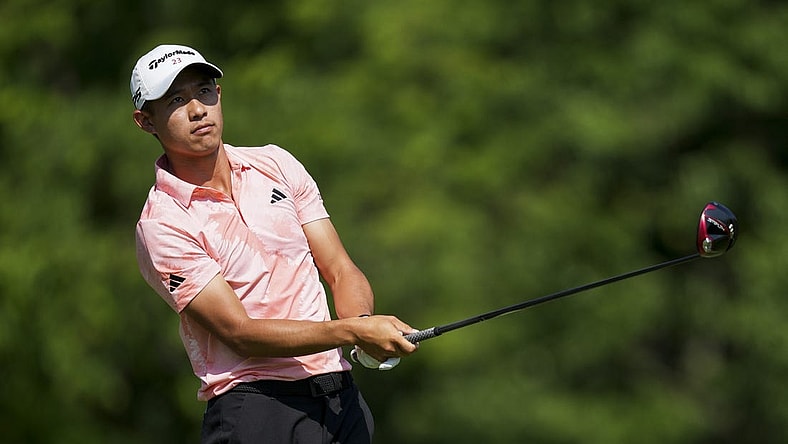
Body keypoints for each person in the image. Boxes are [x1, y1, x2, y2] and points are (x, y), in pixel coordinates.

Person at [130, 44, 418, 443]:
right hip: (256, 408)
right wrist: (351, 332)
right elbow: (240, 332)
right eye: (177, 100)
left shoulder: (276, 164)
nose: (198, 110)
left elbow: (338, 268)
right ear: (146, 122)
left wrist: (364, 325)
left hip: (339, 399)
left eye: (205, 91)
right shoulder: (162, 224)